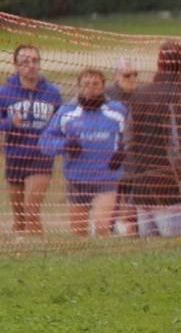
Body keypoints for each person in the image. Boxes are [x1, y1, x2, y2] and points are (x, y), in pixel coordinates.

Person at [39, 69, 128, 237]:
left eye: (95, 84)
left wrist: (122, 154)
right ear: (79, 86)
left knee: (102, 226)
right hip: (77, 179)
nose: (90, 88)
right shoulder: (67, 112)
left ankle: (106, 254)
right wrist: (66, 144)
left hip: (106, 178)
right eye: (86, 84)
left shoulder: (117, 111)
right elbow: (45, 143)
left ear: (103, 87)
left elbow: (131, 137)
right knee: (79, 232)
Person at [123, 41, 181, 238]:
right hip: (171, 191)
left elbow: (127, 142)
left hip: (141, 187)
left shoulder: (139, 95)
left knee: (149, 253)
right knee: (174, 249)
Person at [1, 45, 63, 233]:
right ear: (16, 65)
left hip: (42, 154)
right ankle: (24, 251)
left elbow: (61, 122)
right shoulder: (5, 92)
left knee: (31, 211)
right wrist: (10, 123)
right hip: (15, 154)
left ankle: (42, 251)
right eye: (25, 62)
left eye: (35, 61)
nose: (31, 66)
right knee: (19, 219)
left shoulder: (52, 92)